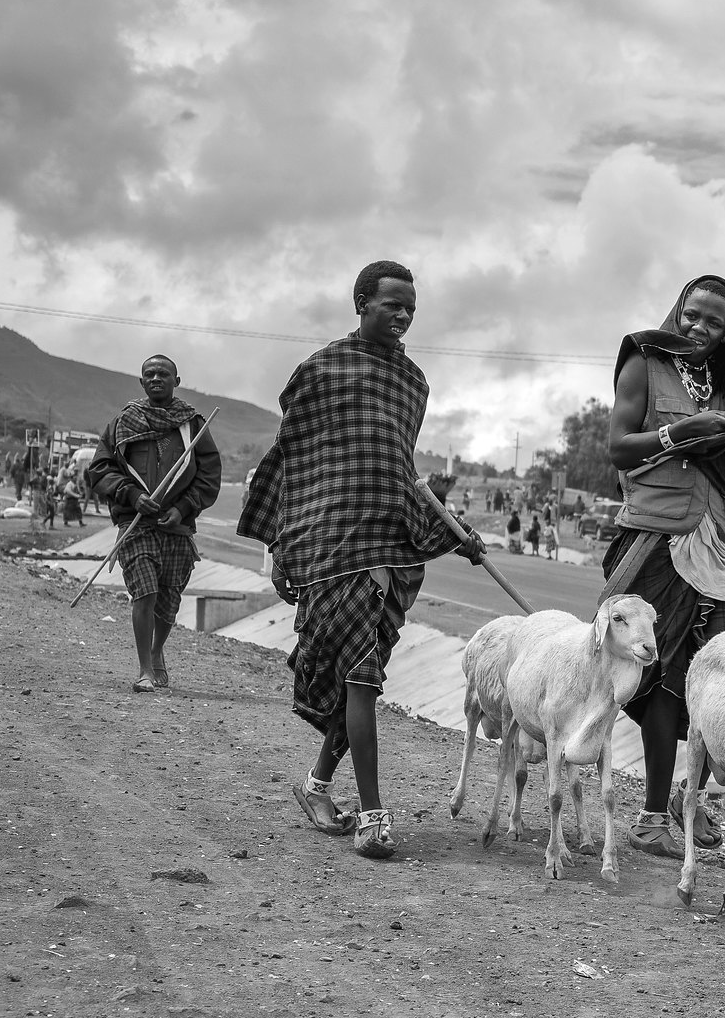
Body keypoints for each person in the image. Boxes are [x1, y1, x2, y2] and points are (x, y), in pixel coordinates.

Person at [238, 260, 488, 860]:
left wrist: (457, 533)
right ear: (361, 302)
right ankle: (376, 816)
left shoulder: (413, 383)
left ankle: (318, 786)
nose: (402, 316)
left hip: (391, 548)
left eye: (410, 309)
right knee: (359, 679)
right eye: (391, 305)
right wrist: (283, 544)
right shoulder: (320, 372)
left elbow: (401, 475)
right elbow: (294, 462)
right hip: (332, 546)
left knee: (364, 678)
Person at [600, 272, 725, 856]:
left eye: (713, 323)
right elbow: (619, 447)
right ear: (676, 312)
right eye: (690, 316)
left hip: (718, 545)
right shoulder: (644, 363)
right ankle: (651, 817)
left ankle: (686, 798)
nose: (697, 328)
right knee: (666, 676)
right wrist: (678, 433)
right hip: (656, 539)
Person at [87, 355, 223, 692]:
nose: (156, 378)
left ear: (177, 380)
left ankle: (157, 649)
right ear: (141, 382)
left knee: (169, 600)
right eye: (149, 374)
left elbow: (208, 474)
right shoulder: (123, 422)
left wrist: (183, 508)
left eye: (163, 373)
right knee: (144, 592)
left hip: (176, 526)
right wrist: (131, 495)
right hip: (137, 525)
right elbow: (100, 469)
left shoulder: (194, 425)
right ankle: (145, 670)